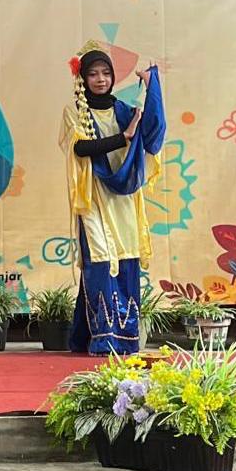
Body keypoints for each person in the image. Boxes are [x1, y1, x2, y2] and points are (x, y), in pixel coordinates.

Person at [59, 41, 165, 355]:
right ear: (83, 78)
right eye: (93, 74)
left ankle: (120, 336)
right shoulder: (75, 112)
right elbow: (80, 148)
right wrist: (123, 137)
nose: (101, 79)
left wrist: (152, 86)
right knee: (101, 259)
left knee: (125, 255)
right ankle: (105, 337)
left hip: (123, 200)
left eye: (106, 73)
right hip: (92, 196)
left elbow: (153, 134)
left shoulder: (124, 111)